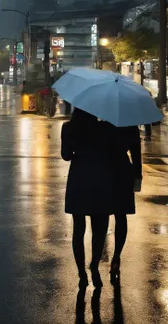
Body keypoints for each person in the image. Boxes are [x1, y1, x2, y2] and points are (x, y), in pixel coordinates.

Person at [61, 109, 112, 289]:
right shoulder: (104, 128)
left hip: (78, 180)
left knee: (78, 229)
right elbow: (110, 152)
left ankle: (81, 272)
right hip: (100, 179)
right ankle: (94, 266)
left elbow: (66, 155)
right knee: (99, 229)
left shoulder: (68, 128)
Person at [105, 124, 142, 285]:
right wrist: (138, 176)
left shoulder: (104, 125)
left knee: (102, 213)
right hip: (124, 171)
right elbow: (136, 154)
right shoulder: (131, 127)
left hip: (104, 169)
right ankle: (116, 256)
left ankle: (96, 257)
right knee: (121, 216)